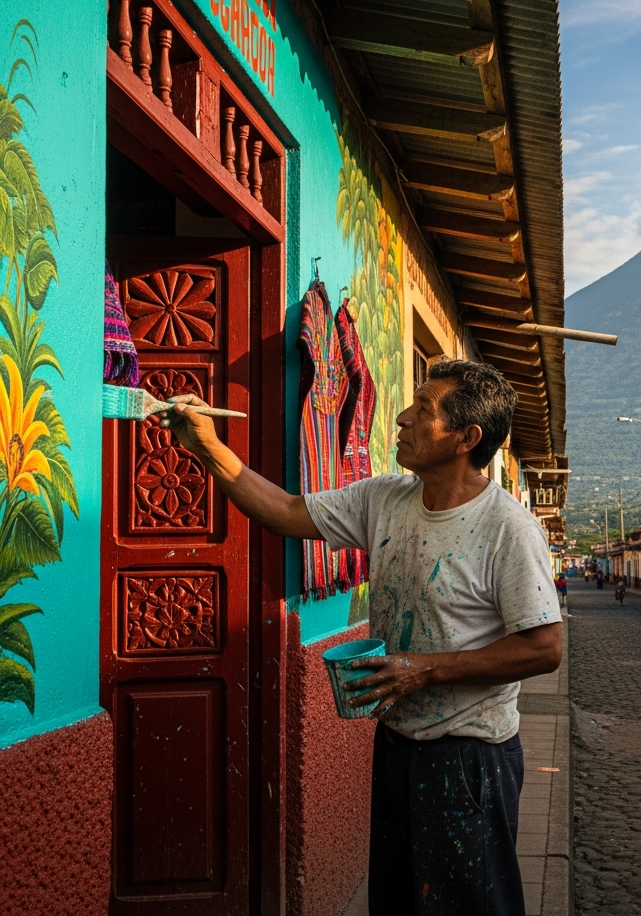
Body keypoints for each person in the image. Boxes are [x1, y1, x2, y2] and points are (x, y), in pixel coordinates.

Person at [164, 358, 562, 916]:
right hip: (398, 745)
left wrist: (426, 669)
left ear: (465, 439)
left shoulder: (507, 528)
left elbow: (546, 648)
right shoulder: (386, 499)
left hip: (471, 760)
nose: (401, 419)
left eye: (423, 411)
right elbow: (283, 512)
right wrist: (205, 447)